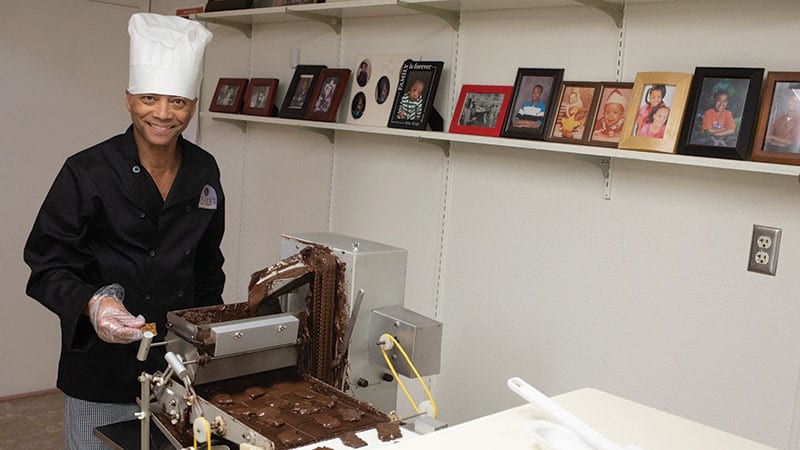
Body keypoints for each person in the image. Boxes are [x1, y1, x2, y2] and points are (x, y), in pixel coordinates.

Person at [23, 13, 223, 450]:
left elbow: (208, 266)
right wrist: (93, 304)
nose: (163, 114)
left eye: (178, 102)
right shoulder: (86, 171)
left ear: (192, 105)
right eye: (150, 98)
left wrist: (212, 343)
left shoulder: (204, 169)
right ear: (129, 98)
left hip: (178, 366)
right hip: (101, 369)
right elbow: (47, 267)